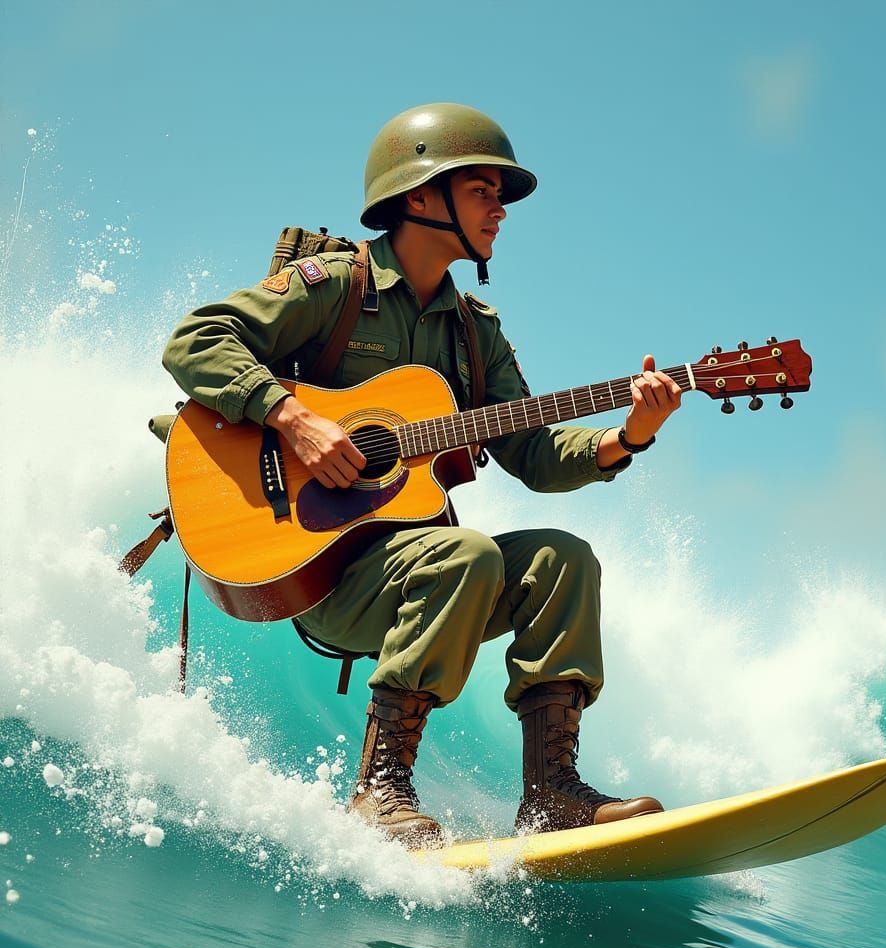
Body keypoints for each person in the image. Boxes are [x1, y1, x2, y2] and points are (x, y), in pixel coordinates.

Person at [162, 102, 682, 848]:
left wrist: (627, 436)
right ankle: (379, 792)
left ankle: (554, 798)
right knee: (464, 551)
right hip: (316, 567)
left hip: (417, 569)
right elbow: (195, 339)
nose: (501, 210)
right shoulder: (333, 287)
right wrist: (293, 418)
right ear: (418, 196)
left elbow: (531, 453)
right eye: (483, 191)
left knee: (561, 559)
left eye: (500, 196)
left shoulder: (477, 334)